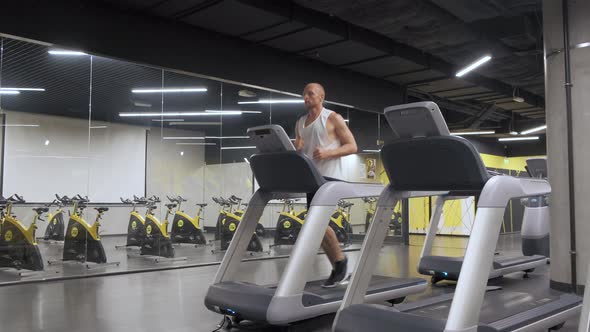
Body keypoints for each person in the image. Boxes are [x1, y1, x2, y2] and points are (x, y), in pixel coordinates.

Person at [294, 83, 358, 288]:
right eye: (304, 94)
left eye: (310, 94)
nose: (305, 97)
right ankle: (338, 267)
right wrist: (297, 149)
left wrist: (328, 153)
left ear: (321, 97)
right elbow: (300, 150)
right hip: (311, 178)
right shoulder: (300, 122)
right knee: (315, 226)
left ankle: (340, 264)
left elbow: (352, 146)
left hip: (329, 178)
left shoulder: (332, 118)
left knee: (315, 222)